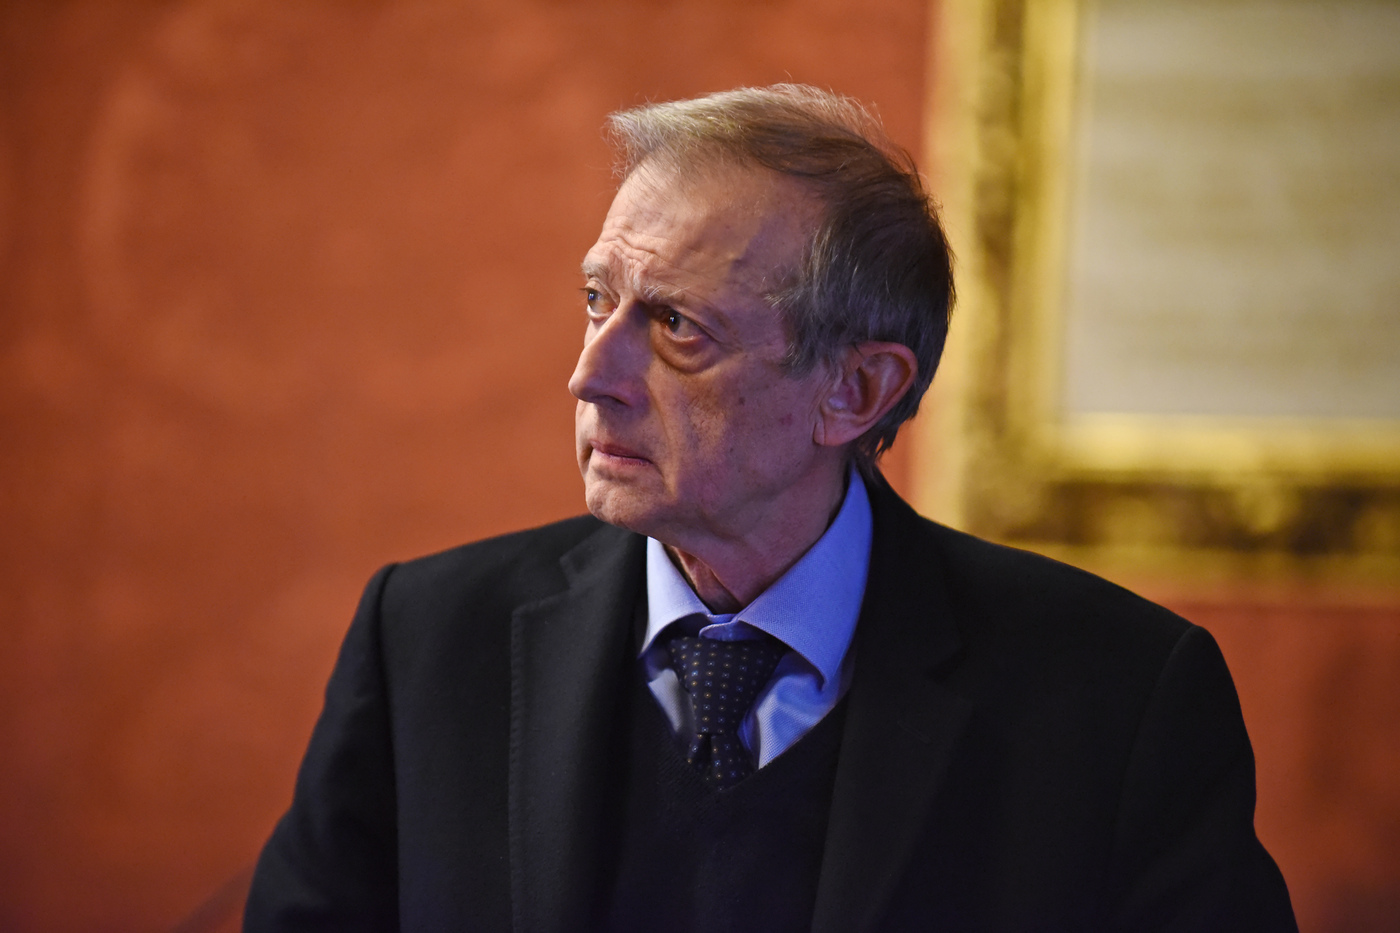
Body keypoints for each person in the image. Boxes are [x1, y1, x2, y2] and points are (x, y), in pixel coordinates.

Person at [244, 85, 1297, 932]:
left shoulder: (1117, 699)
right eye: (598, 299)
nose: (590, 374)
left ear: (857, 391)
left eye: (677, 327)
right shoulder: (428, 638)